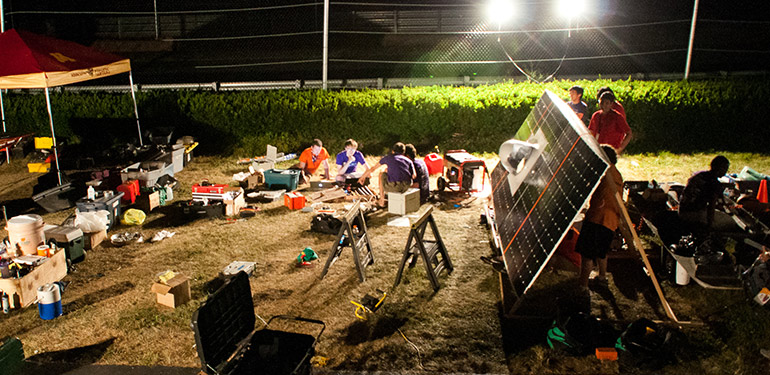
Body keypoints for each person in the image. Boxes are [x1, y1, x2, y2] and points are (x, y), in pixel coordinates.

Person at [576, 145, 623, 291]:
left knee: (587, 255)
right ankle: (602, 277)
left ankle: (583, 287)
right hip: (611, 220)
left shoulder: (603, 171)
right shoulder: (616, 174)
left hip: (598, 217)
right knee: (602, 252)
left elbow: (585, 184)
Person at [678, 155, 739, 233]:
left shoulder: (699, 176)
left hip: (682, 210)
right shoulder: (714, 184)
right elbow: (711, 206)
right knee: (730, 222)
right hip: (693, 214)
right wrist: (709, 226)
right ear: (721, 168)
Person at [358, 142, 415, 207]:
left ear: (393, 151)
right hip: (406, 186)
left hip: (394, 187)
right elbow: (414, 175)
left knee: (382, 174)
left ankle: (381, 201)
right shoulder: (408, 160)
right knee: (387, 172)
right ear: (404, 152)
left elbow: (373, 169)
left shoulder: (388, 158)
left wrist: (362, 178)